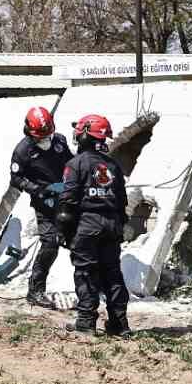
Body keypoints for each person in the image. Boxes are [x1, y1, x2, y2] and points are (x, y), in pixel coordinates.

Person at [58, 113, 131, 337]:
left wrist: (64, 232)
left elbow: (67, 202)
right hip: (112, 224)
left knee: (86, 273)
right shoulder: (113, 166)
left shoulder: (75, 164)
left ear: (86, 135)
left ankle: (86, 322)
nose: (76, 136)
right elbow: (122, 203)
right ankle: (120, 325)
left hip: (87, 225)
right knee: (113, 274)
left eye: (79, 132)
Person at [9, 105, 73, 308]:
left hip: (67, 199)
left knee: (80, 243)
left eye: (47, 135)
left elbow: (72, 164)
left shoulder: (60, 141)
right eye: (40, 137)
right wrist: (37, 189)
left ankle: (90, 288)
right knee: (50, 245)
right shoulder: (22, 151)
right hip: (44, 202)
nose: (45, 140)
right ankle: (35, 290)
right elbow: (16, 179)